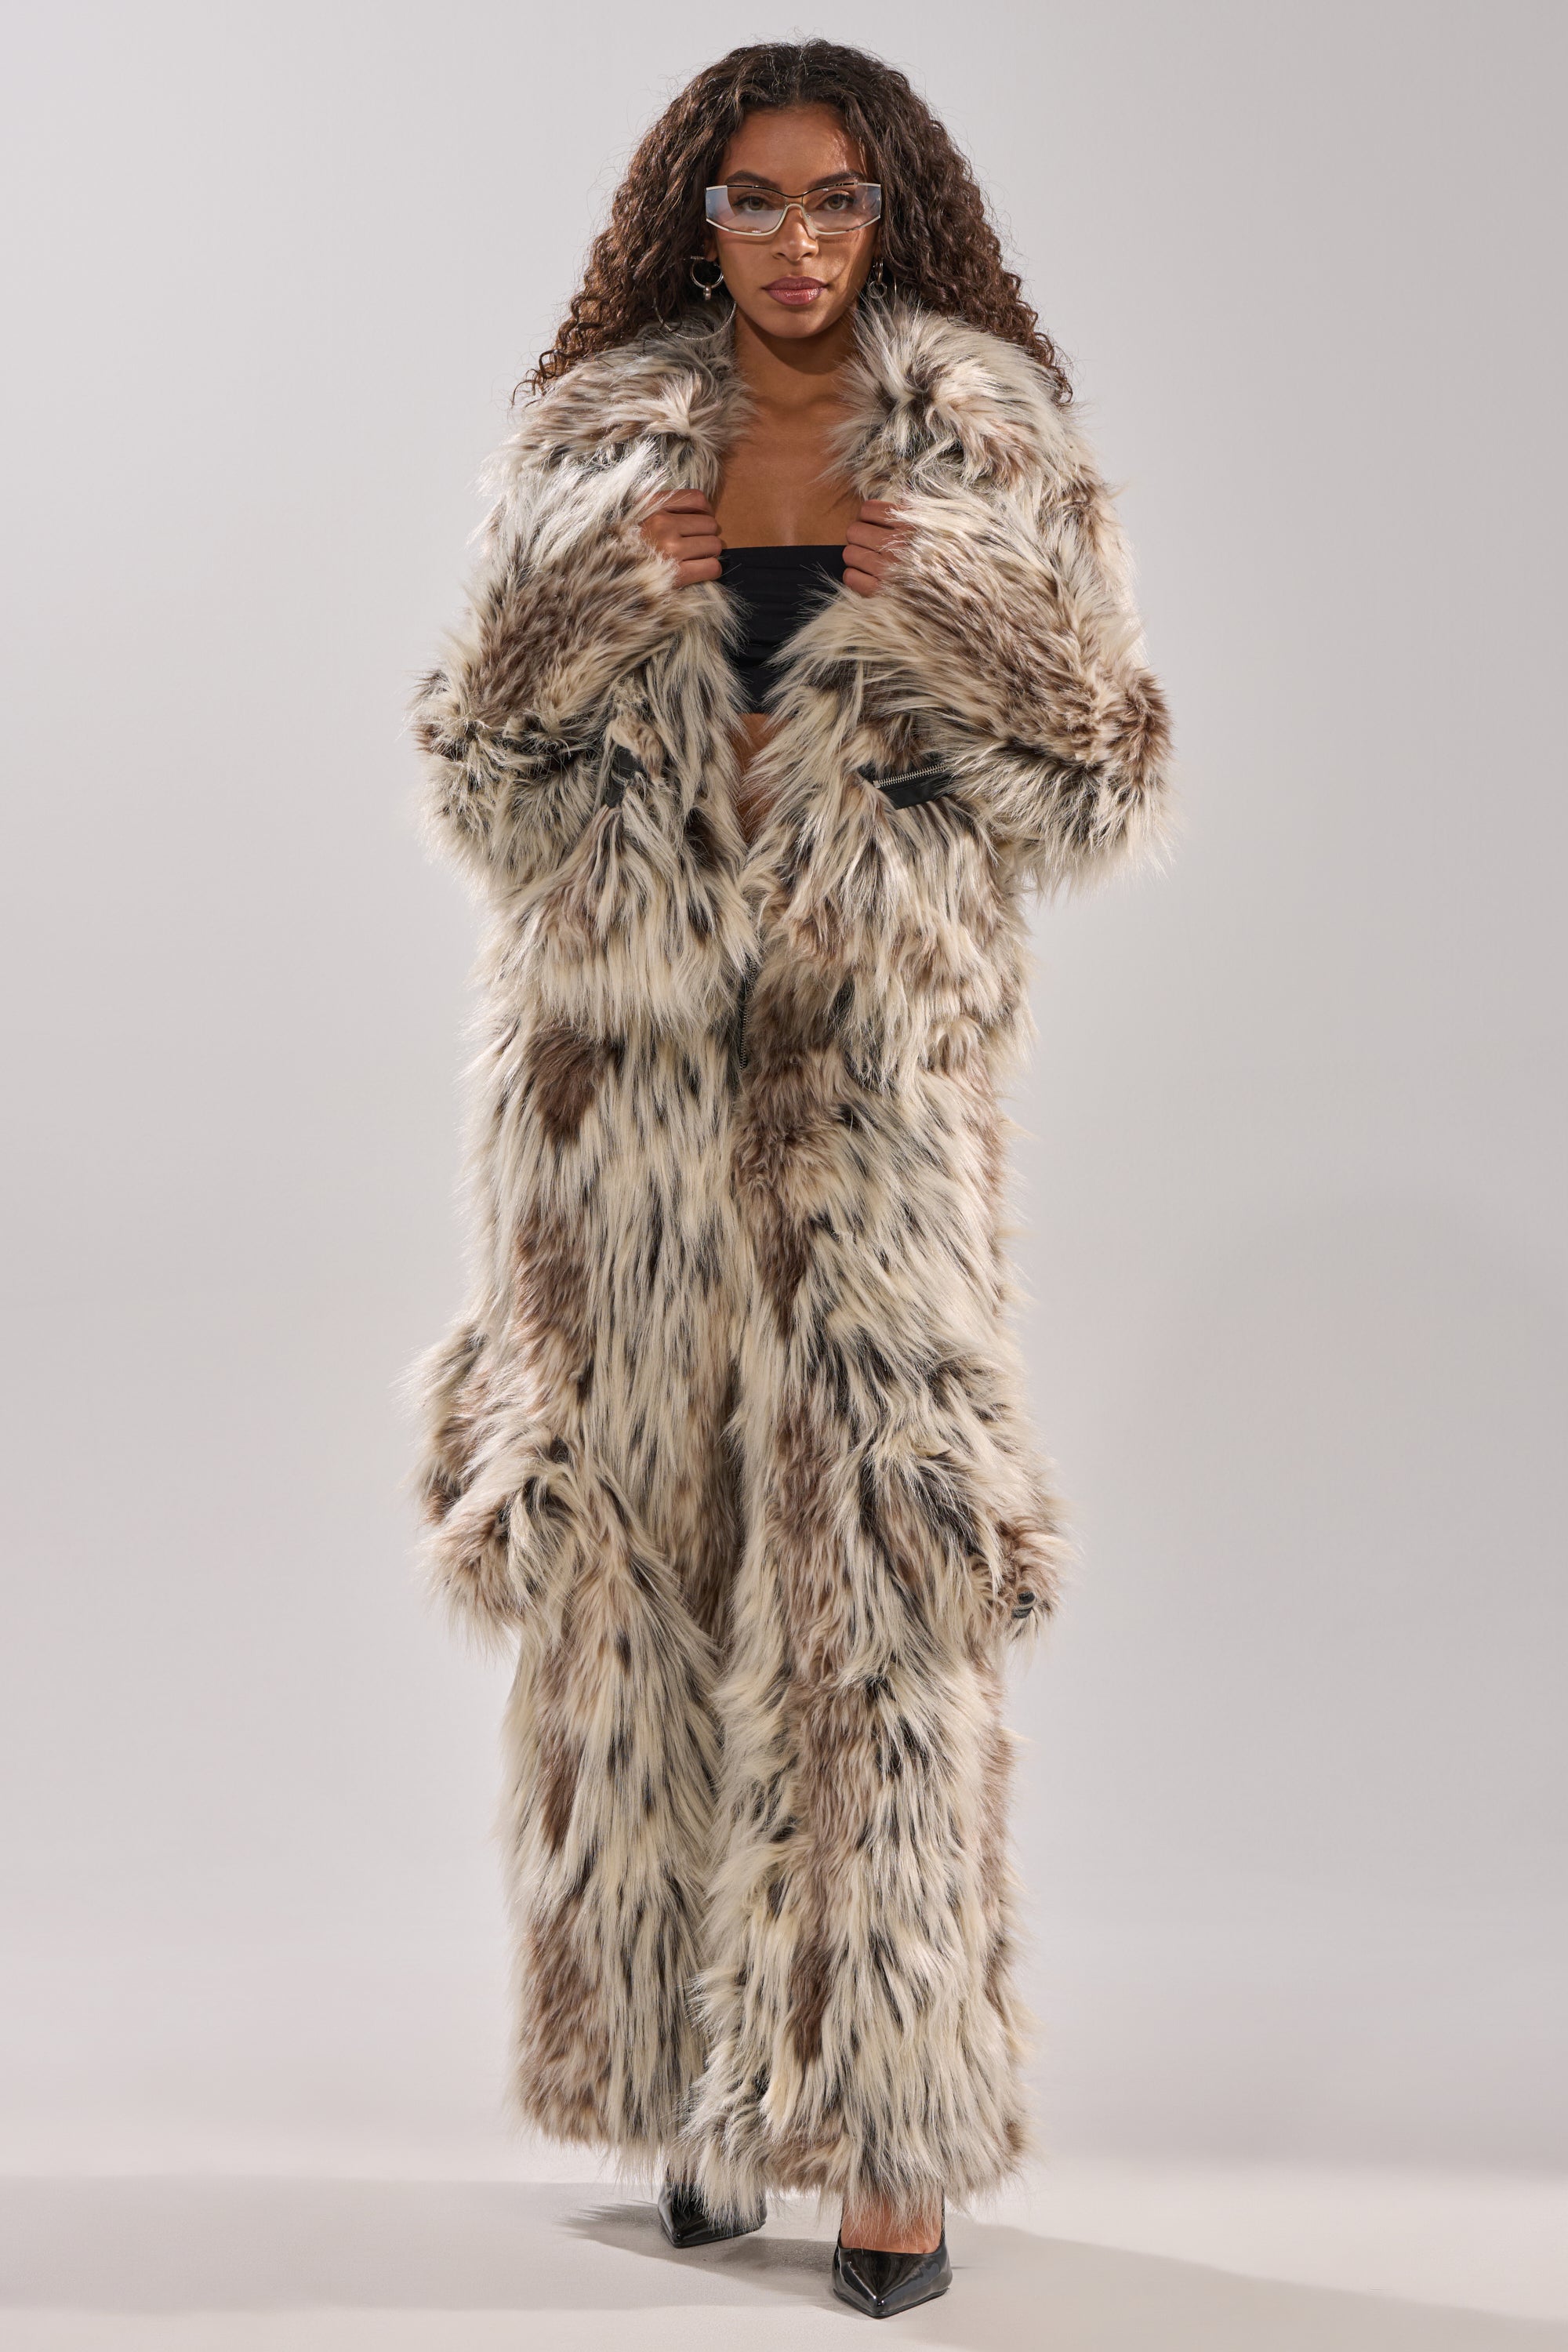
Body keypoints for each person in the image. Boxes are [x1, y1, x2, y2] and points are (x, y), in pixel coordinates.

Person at [409, 38, 1170, 2321]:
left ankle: (885, 2134)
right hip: (616, 1109)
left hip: (870, 1105)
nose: (798, 242)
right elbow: (477, 775)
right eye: (753, 202)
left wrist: (924, 586)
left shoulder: (985, 440)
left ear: (892, 212)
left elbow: (1100, 771)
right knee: (643, 1583)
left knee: (883, 1597)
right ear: (693, 216)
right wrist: (587, 616)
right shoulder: (586, 440)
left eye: (837, 201)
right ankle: (691, 2090)